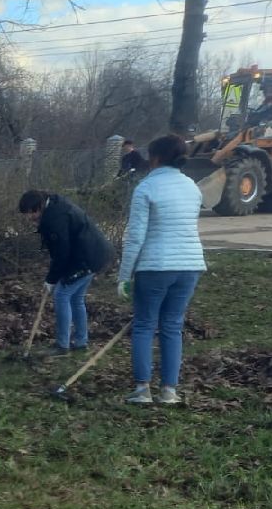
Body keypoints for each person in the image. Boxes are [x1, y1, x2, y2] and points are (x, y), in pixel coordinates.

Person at [115, 133, 206, 405]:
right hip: (190, 266)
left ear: (154, 158)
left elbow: (136, 237)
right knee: (172, 326)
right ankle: (169, 391)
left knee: (144, 325)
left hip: (155, 266)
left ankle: (142, 390)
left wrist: (123, 276)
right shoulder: (192, 187)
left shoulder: (146, 188)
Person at [18, 189, 114, 357]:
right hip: (95, 255)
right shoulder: (54, 204)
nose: (29, 218)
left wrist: (51, 280)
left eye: (31, 213)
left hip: (86, 259)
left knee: (61, 295)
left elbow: (62, 253)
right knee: (76, 298)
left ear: (40, 206)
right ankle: (81, 342)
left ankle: (62, 346)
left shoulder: (54, 219)